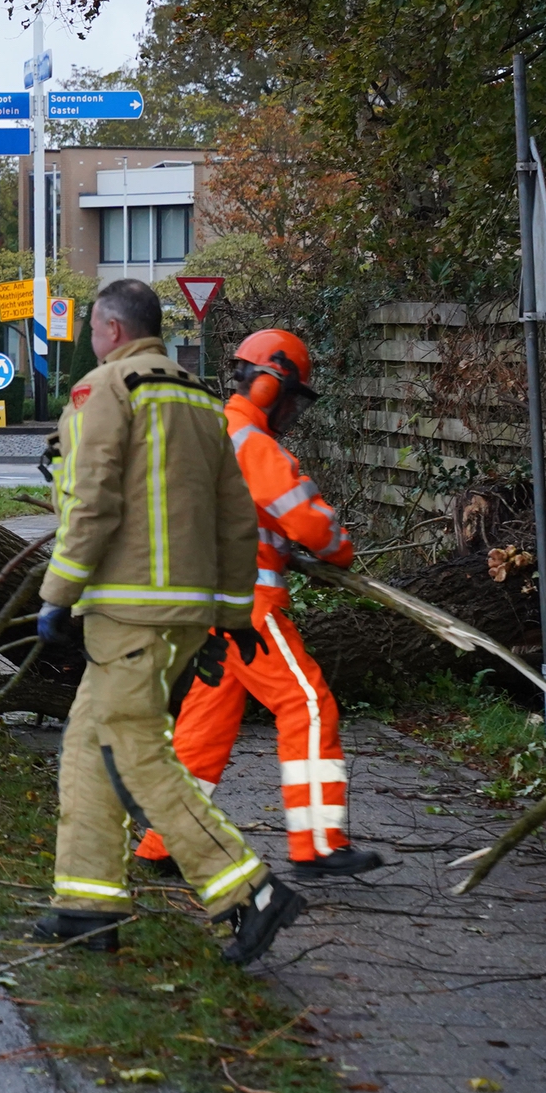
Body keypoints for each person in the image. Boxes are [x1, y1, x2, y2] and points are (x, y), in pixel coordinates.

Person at [34, 279, 301, 966]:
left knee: (137, 757)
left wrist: (57, 593)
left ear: (110, 329)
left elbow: (90, 503)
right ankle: (85, 905)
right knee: (88, 747)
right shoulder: (201, 400)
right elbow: (238, 518)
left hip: (125, 611)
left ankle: (247, 890)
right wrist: (234, 616)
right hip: (184, 612)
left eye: (94, 329)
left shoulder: (106, 390)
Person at [134, 330, 382, 879]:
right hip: (250, 601)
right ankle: (318, 842)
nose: (292, 410)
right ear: (271, 384)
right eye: (291, 397)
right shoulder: (252, 443)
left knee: (205, 722)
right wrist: (339, 549)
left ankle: (165, 841)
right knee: (308, 704)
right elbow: (309, 522)